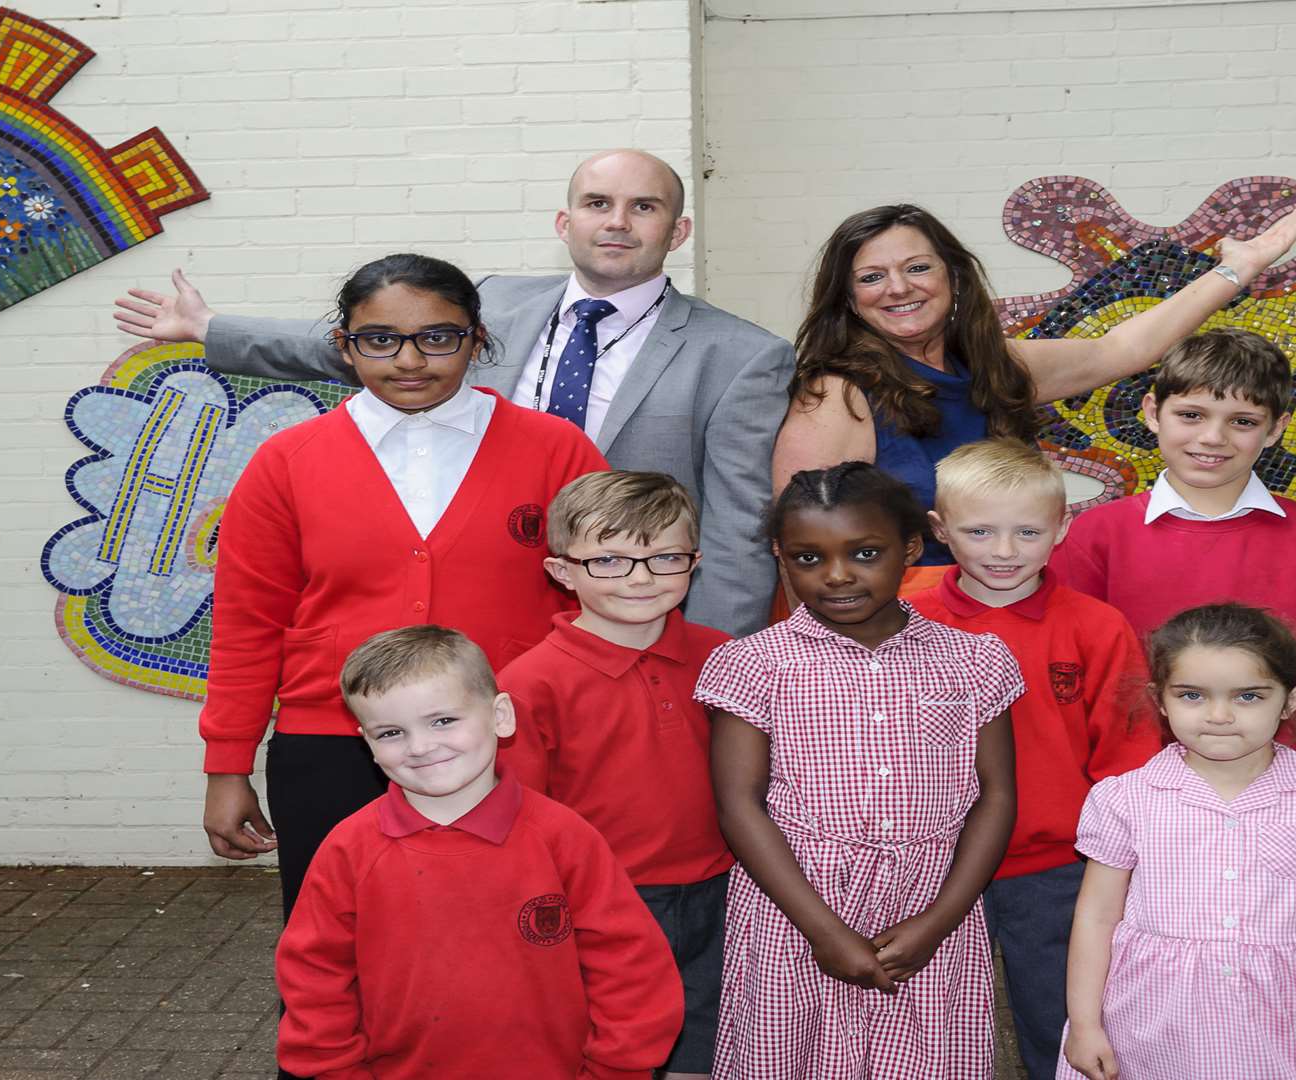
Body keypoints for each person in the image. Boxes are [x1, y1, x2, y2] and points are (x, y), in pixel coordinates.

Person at [113, 149, 793, 637]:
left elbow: (737, 533)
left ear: (676, 232)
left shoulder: (741, 357)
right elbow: (359, 343)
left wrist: (709, 660)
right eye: (597, 204)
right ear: (567, 224)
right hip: (477, 603)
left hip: (628, 616)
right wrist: (209, 329)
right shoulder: (494, 299)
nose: (617, 222)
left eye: (644, 207)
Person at [198, 253, 607, 939]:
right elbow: (248, 623)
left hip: (512, 742)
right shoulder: (286, 463)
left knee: (508, 940)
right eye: (380, 339)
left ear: (477, 339)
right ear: (345, 346)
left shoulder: (555, 451)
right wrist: (226, 766)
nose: (409, 359)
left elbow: (597, 608)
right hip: (332, 746)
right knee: (340, 942)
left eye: (438, 336)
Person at [771, 200, 1296, 586]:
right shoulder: (837, 393)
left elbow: (1121, 351)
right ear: (847, 298)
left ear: (954, 277)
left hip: (1004, 616)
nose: (898, 287)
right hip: (895, 631)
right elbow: (803, 545)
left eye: (917, 267)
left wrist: (1236, 268)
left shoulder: (991, 365)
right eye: (871, 276)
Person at [695, 461, 1023, 1079]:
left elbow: (996, 796)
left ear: (911, 548)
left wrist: (939, 921)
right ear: (779, 557)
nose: (838, 575)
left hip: (930, 904)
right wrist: (825, 931)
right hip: (795, 908)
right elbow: (740, 805)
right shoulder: (752, 663)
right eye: (808, 558)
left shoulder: (973, 659)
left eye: (866, 552)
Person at [276, 625, 683, 1080]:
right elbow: (314, 977)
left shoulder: (564, 837)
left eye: (443, 720)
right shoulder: (348, 849)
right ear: (366, 742)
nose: (421, 747)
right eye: (391, 732)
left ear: (501, 716)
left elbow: (630, 967)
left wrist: (615, 1069)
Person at [906, 437, 1159, 1080]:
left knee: (1060, 1021)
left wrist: (1115, 864)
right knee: (921, 1023)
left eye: (1026, 531)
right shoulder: (903, 613)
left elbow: (1126, 756)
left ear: (1061, 528)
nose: (1004, 551)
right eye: (980, 531)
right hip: (925, 861)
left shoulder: (1097, 627)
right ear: (939, 530)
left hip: (1053, 868)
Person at [1060, 603, 1296, 1080]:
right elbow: (1096, 916)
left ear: (1291, 700)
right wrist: (1086, 1023)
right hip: (1146, 1030)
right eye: (1192, 695)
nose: (1219, 716)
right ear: (1160, 699)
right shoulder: (1124, 800)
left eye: (1249, 696)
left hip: (1284, 1029)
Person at [1049, 328, 1296, 775]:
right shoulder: (1095, 535)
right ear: (1152, 412)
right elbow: (1074, 668)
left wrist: (1280, 772)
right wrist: (1135, 776)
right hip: (1134, 780)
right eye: (1191, 415)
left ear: (1275, 428)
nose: (1212, 437)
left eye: (1242, 421)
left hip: (1281, 780)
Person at [497, 470, 732, 1080]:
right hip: (603, 903)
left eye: (664, 557)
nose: (640, 578)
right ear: (562, 572)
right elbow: (520, 815)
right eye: (610, 560)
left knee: (704, 1048)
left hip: (725, 890)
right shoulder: (530, 683)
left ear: (695, 561)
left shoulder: (724, 657)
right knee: (614, 1051)